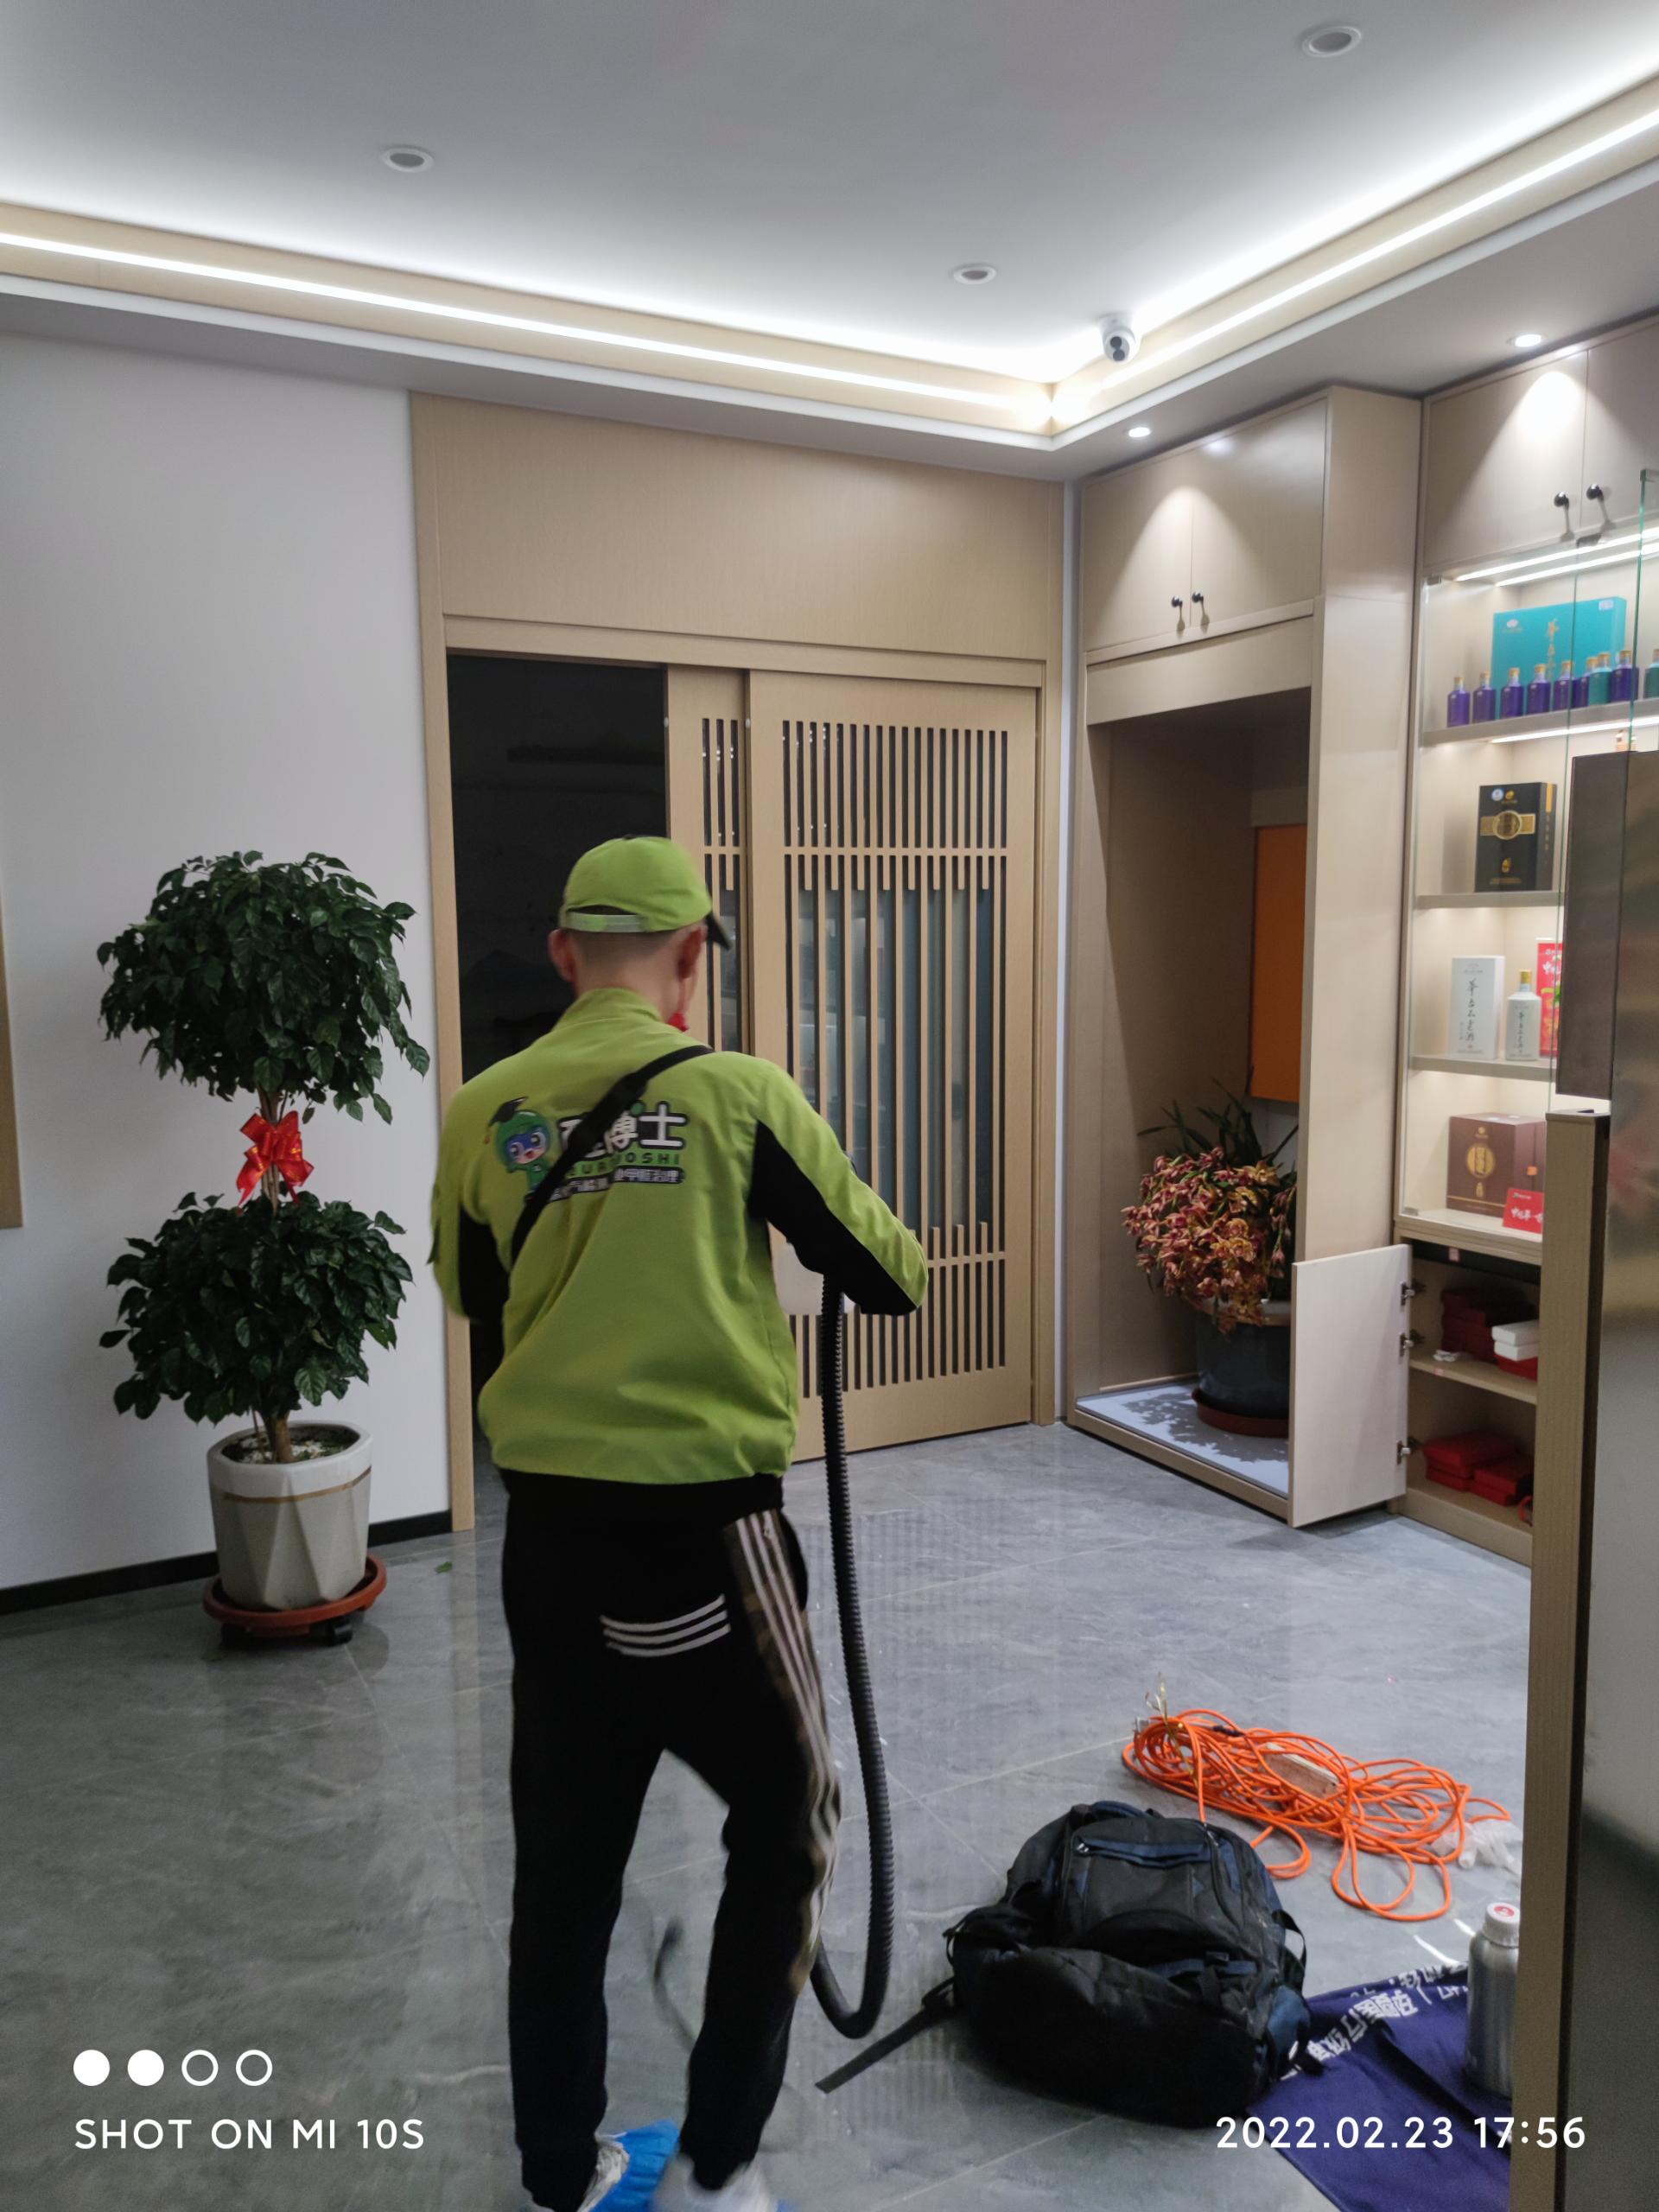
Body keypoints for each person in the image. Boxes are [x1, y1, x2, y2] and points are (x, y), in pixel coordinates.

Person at [431, 836, 927, 2212]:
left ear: (563, 955)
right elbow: (892, 1271)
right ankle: (716, 2167)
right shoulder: (736, 1094)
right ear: (693, 956)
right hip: (711, 1547)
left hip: (549, 1551)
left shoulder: (482, 1110)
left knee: (564, 1877)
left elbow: (475, 1293)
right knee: (788, 1821)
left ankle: (560, 2172)